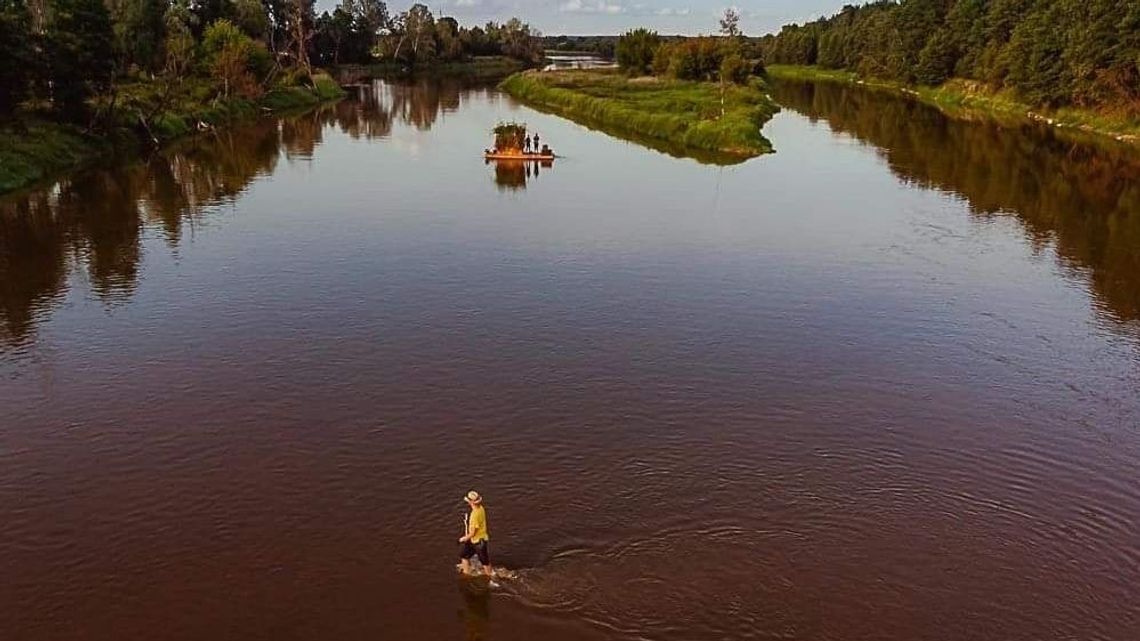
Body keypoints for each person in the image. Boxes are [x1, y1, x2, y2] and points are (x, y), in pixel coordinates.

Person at [458, 490, 493, 580]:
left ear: (471, 502)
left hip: (478, 542)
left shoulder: (474, 515)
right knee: (464, 555)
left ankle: (490, 578)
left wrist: (463, 539)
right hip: (481, 539)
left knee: (484, 562)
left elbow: (473, 533)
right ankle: (467, 573)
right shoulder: (481, 508)